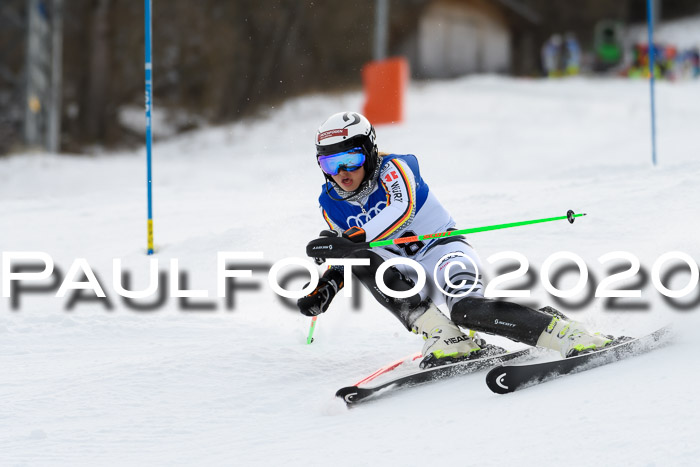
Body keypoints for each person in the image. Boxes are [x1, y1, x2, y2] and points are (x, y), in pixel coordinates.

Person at [297, 112, 613, 367]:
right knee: (362, 258)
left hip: (443, 252)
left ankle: (566, 334)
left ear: (367, 151)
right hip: (402, 269)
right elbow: (349, 254)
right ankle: (446, 336)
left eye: (349, 160)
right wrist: (328, 286)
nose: (341, 172)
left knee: (469, 311)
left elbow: (401, 209)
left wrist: (354, 239)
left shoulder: (397, 168)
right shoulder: (330, 203)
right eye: (330, 164)